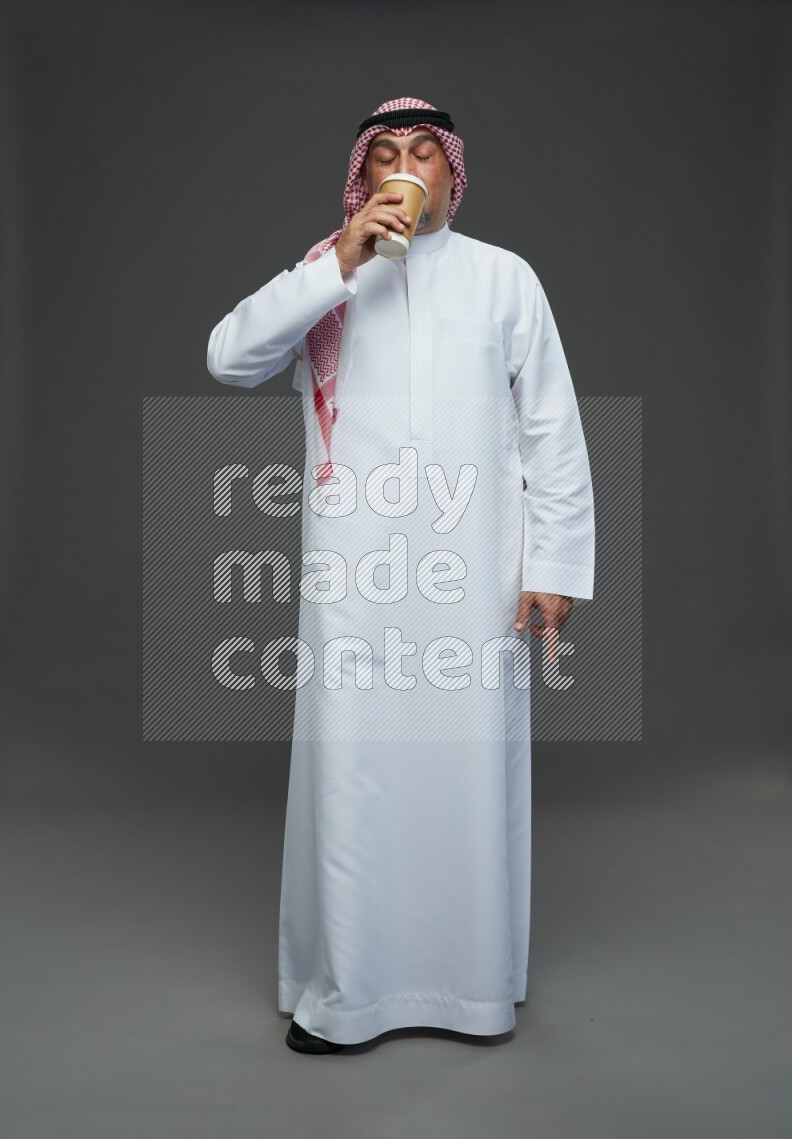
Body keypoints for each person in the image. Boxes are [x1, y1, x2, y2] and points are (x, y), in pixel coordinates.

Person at [207, 97, 595, 1054]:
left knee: (471, 768)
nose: (407, 168)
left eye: (425, 152)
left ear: (452, 175)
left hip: (476, 570)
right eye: (387, 155)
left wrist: (553, 565)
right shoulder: (325, 274)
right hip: (357, 572)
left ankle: (473, 990)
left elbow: (552, 428)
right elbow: (229, 358)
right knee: (356, 769)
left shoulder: (505, 279)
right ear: (364, 178)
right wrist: (338, 261)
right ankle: (346, 993)